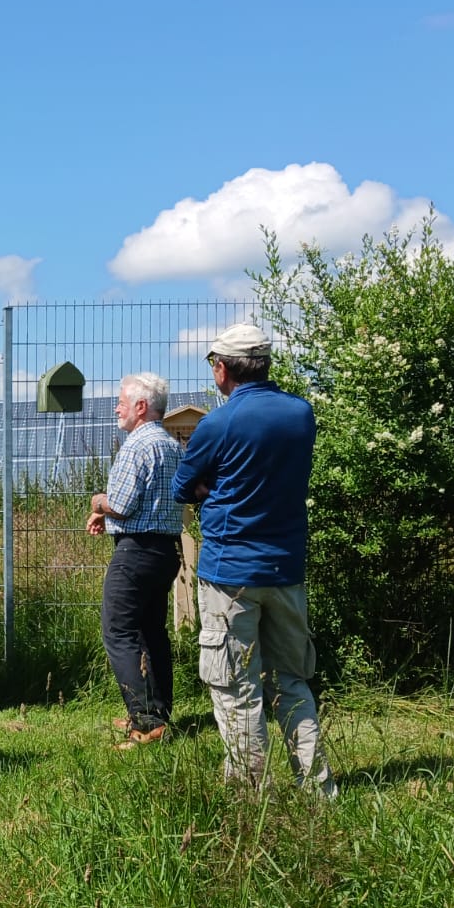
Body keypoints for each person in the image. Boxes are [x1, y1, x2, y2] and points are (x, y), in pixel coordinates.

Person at [171, 325, 336, 796]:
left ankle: (249, 794)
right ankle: (317, 790)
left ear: (222, 369)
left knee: (235, 687)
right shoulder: (300, 414)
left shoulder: (218, 425)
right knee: (293, 681)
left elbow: (183, 488)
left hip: (230, 575)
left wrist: (217, 489)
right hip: (286, 569)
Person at [87, 374, 184, 750]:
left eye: (122, 402)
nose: (116, 408)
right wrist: (108, 515)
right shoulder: (172, 446)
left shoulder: (136, 446)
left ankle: (145, 723)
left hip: (136, 552)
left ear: (141, 407)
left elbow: (122, 505)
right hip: (165, 551)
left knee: (119, 632)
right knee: (152, 632)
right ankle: (158, 711)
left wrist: (99, 503)